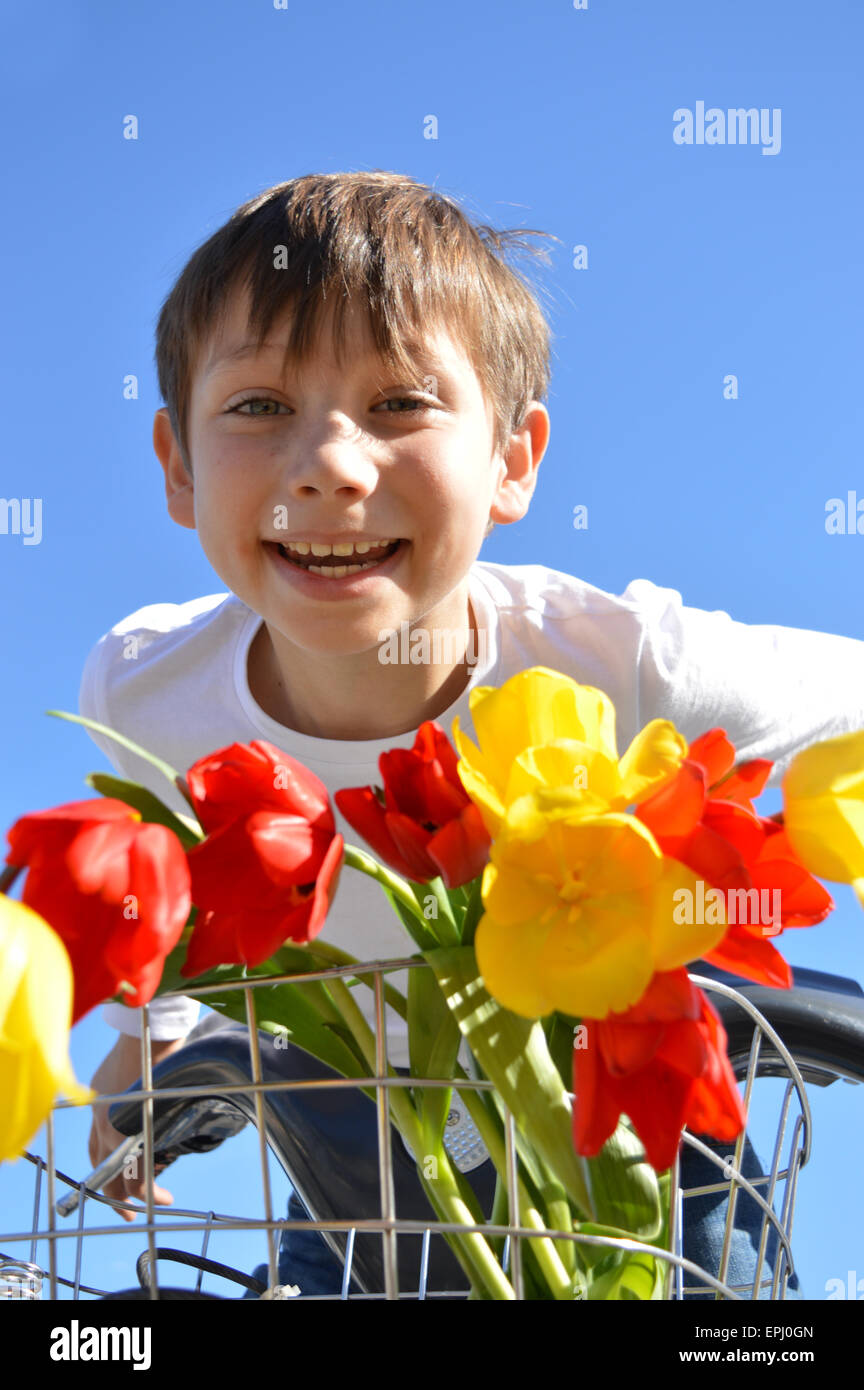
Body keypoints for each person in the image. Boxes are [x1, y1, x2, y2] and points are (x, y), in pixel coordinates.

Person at [82, 170, 861, 1297]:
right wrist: (152, 1034)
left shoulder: (626, 662)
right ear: (176, 467)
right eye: (259, 406)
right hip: (357, 1145)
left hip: (630, 1121)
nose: (331, 464)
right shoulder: (150, 693)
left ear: (513, 460)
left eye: (399, 404)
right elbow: (167, 883)